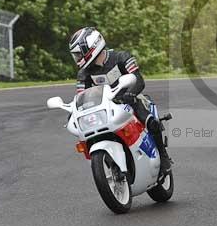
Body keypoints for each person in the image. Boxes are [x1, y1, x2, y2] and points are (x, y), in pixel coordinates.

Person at [69, 27, 172, 174]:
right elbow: (81, 96)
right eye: (76, 55)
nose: (78, 59)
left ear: (92, 47)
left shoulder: (121, 57)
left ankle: (163, 157)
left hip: (131, 99)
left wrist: (130, 94)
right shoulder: (83, 73)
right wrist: (73, 111)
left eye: (79, 54)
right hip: (104, 108)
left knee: (150, 121)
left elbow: (139, 80)